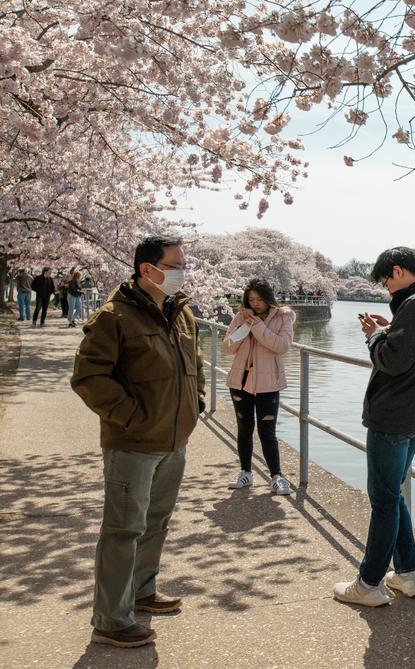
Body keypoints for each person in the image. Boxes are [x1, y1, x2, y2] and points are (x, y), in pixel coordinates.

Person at [70, 234, 205, 649]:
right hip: (132, 442)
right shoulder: (115, 316)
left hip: (174, 440)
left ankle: (142, 590)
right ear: (148, 269)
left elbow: (195, 363)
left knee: (155, 522)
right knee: (122, 529)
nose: (183, 271)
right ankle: (110, 619)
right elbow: (89, 378)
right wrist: (132, 418)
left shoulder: (181, 313)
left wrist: (196, 403)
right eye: (175, 264)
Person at [332, 247, 415, 607]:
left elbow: (393, 360)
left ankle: (369, 583)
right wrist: (392, 330)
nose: (386, 289)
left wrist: (375, 337)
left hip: (394, 413)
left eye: (386, 280)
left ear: (399, 271)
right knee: (393, 495)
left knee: (384, 499)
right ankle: (408, 574)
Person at [221, 278, 296, 495]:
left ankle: (276, 476)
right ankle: (245, 472)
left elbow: (282, 346)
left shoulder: (283, 316)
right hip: (240, 382)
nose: (255, 304)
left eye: (259, 299)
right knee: (244, 428)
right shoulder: (241, 317)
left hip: (268, 383)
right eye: (251, 299)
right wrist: (244, 327)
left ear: (268, 298)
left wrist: (258, 326)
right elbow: (227, 348)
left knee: (267, 431)